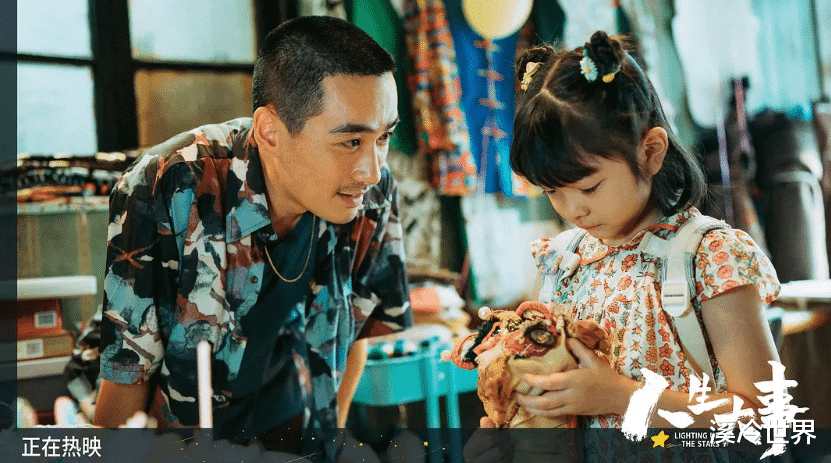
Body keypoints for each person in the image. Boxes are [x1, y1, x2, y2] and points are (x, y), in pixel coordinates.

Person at [93, 16, 412, 463]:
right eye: (351, 141)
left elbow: (355, 329)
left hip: (289, 423)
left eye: (384, 137)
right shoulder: (167, 185)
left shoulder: (371, 193)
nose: (372, 171)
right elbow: (127, 375)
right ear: (270, 131)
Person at [486, 31, 779, 460]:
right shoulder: (565, 260)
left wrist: (623, 397)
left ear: (651, 152)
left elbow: (764, 417)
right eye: (552, 191)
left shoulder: (709, 257)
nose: (572, 209)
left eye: (589, 187)